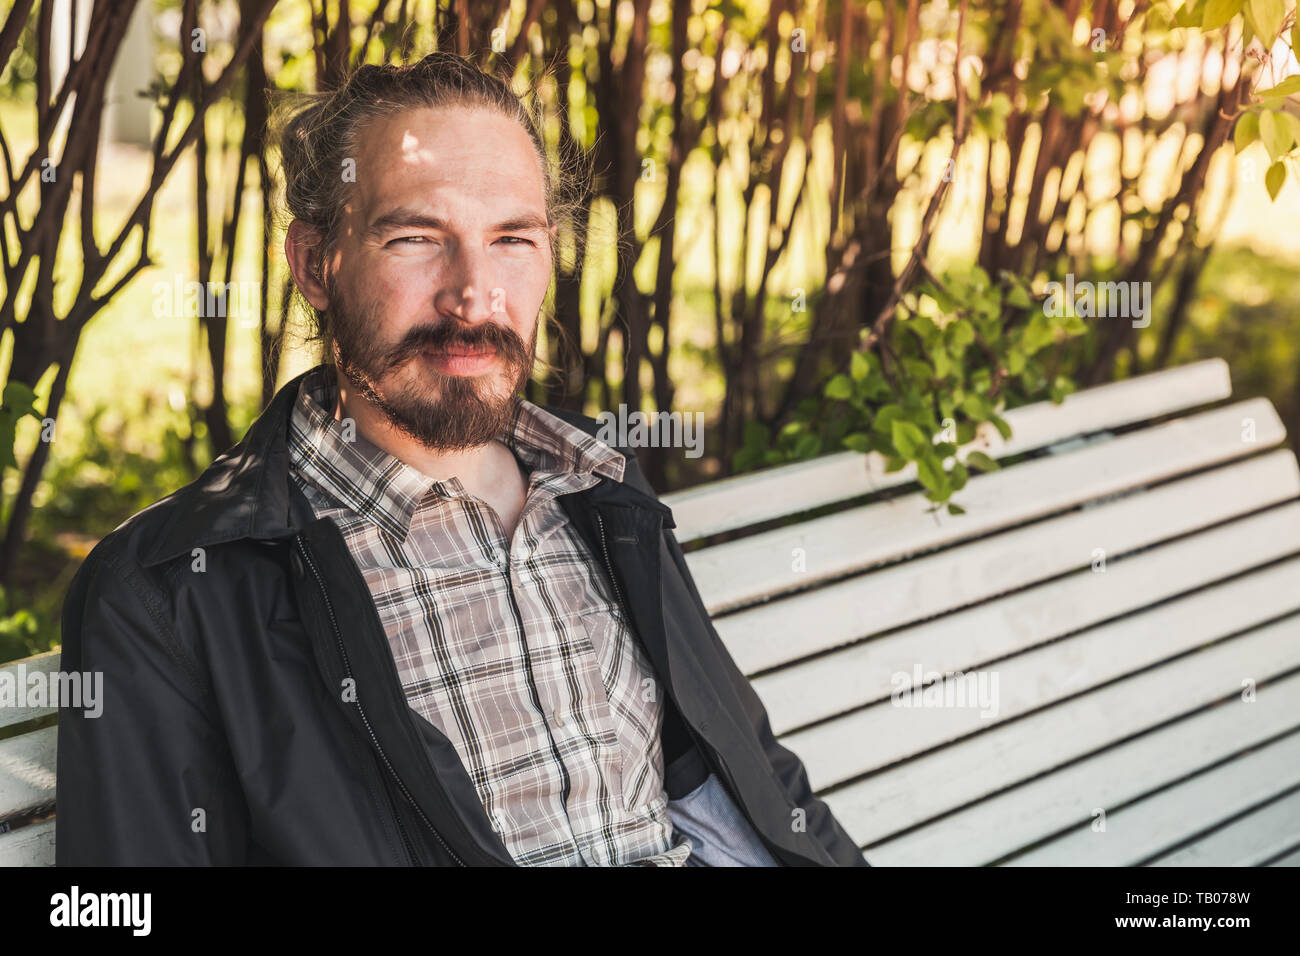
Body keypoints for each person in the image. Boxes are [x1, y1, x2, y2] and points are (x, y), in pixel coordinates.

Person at [55, 52, 869, 867]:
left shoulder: (597, 484)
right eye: (415, 238)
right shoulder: (175, 588)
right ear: (314, 264)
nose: (474, 295)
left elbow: (761, 784)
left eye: (512, 238)